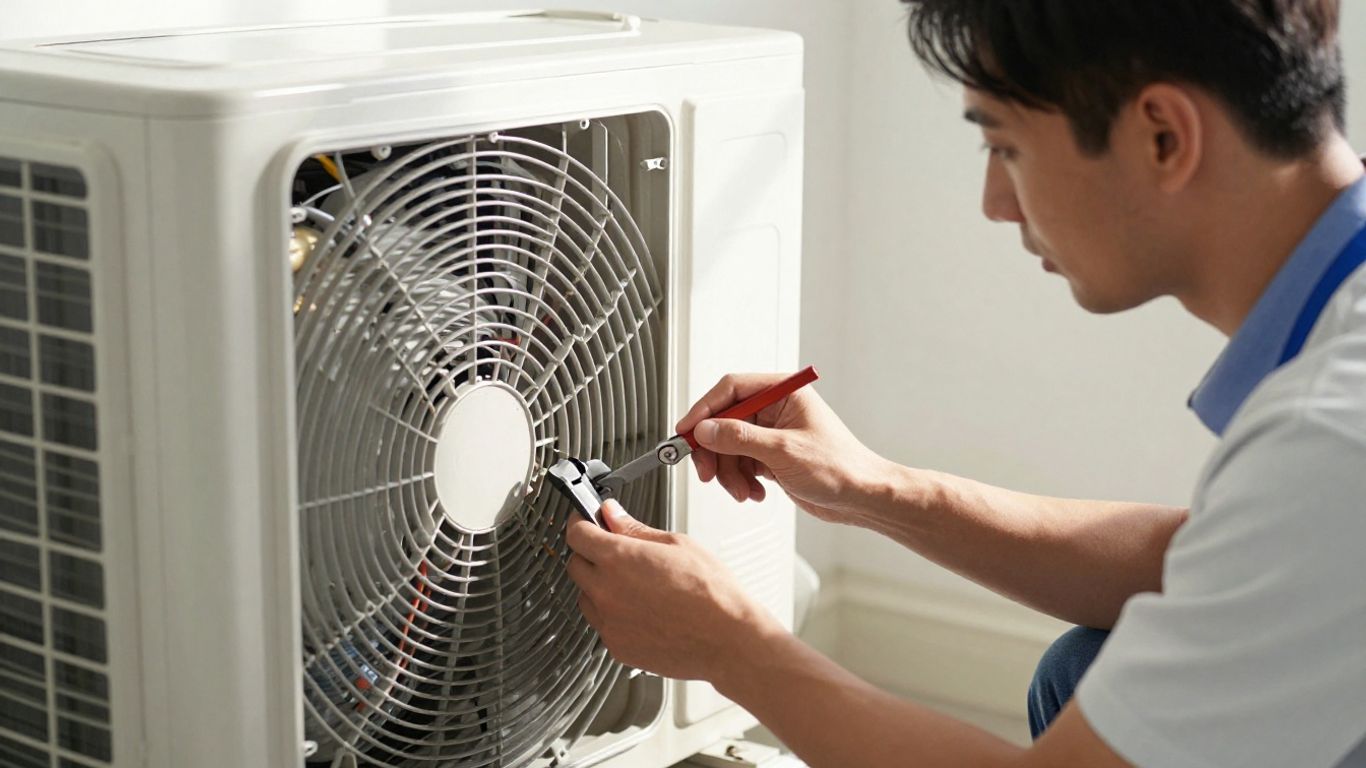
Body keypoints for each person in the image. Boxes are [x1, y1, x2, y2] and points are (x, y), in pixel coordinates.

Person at [565, 1, 1366, 765]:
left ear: (1162, 136)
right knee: (1083, 671)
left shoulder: (1329, 437)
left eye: (1006, 147)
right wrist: (875, 488)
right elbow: (1207, 561)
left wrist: (730, 647)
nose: (993, 203)